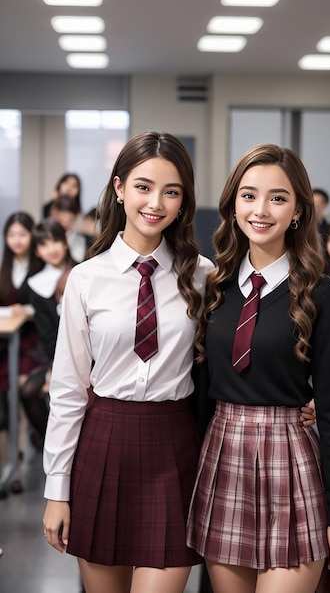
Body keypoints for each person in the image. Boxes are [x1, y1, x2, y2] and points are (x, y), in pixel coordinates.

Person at [41, 131, 215, 593]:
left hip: (174, 442)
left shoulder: (203, 275)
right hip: (103, 443)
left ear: (183, 201)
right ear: (119, 188)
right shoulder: (85, 279)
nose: (155, 202)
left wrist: (305, 394)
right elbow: (68, 390)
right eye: (143, 186)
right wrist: (57, 489)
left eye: (171, 191)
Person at [186, 144, 330, 593]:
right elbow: (201, 387)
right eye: (248, 195)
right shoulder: (214, 286)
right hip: (223, 455)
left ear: (299, 210)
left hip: (291, 459)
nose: (260, 210)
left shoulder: (322, 294)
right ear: (233, 204)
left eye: (278, 198)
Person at [21, 219, 75, 449]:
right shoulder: (36, 284)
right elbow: (48, 337)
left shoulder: (85, 272)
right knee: (30, 391)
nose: (51, 249)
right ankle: (50, 444)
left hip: (94, 354)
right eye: (43, 245)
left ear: (65, 242)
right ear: (37, 251)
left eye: (55, 241)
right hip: (57, 356)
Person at [0, 212, 43, 496]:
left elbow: (45, 306)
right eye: (11, 235)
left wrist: (26, 311)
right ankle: (10, 462)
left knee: (18, 387)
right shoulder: (4, 267)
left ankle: (19, 460)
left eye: (22, 234)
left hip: (31, 343)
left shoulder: (40, 266)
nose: (16, 240)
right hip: (6, 342)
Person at [49, 195, 88, 263]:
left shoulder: (80, 239)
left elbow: (78, 259)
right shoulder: (46, 235)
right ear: (53, 215)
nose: (65, 223)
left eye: (70, 220)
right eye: (61, 220)